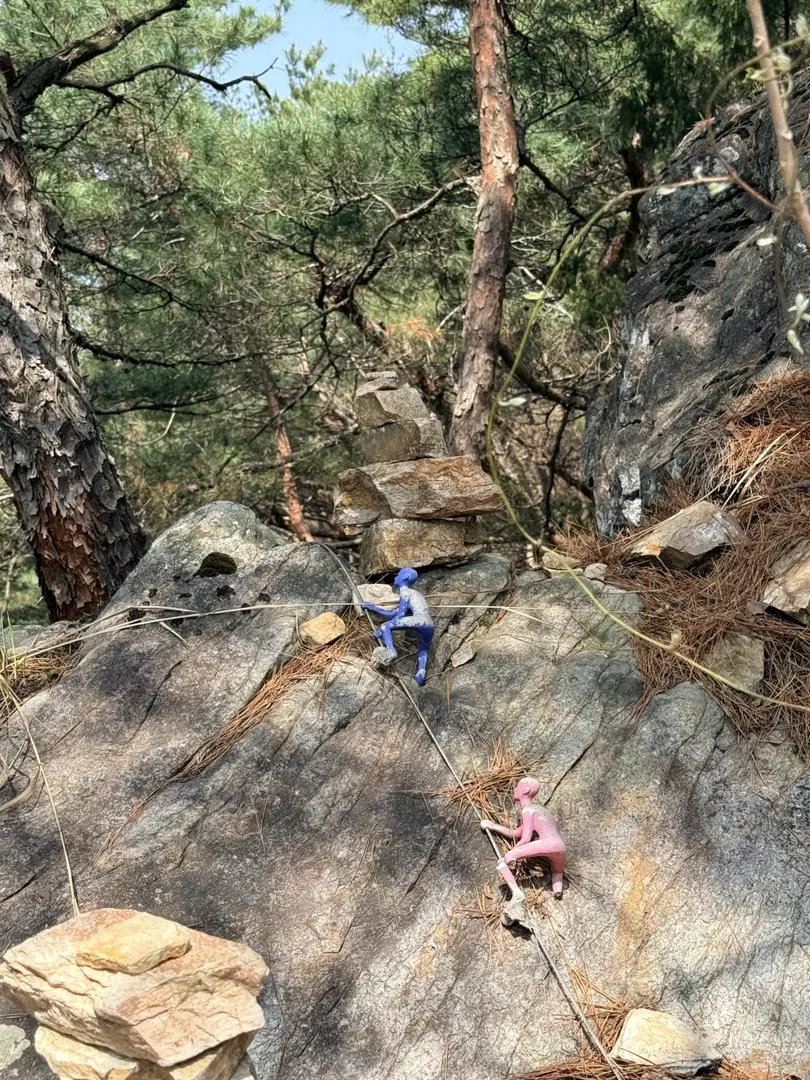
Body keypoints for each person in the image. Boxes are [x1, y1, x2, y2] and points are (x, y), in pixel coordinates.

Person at [480, 777, 566, 900]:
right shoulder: (542, 811)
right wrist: (492, 826)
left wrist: (511, 854)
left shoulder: (528, 810)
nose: (515, 789)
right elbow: (515, 833)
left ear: (525, 790)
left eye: (518, 786)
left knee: (502, 862)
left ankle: (517, 894)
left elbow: (525, 839)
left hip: (547, 844)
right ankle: (558, 889)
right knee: (557, 871)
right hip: (561, 848)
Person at [361, 566, 434, 686]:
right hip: (429, 624)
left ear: (405, 577)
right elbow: (393, 613)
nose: (395, 577)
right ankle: (420, 675)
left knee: (385, 626)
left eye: (398, 575)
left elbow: (399, 615)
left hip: (419, 620)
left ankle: (391, 651)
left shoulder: (405, 591)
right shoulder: (415, 593)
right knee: (423, 649)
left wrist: (382, 631)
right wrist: (373, 607)